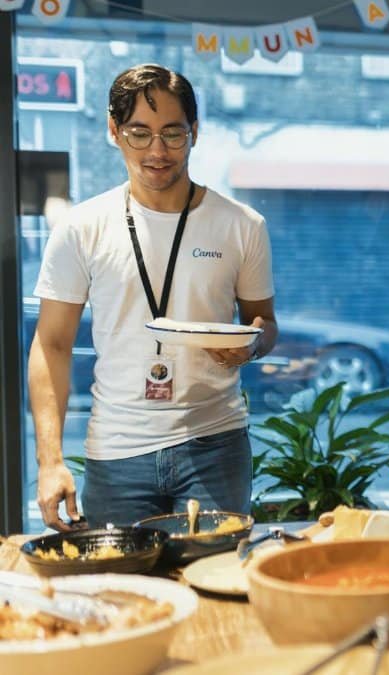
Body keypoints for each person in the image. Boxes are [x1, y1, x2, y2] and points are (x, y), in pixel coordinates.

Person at [30, 64, 278, 531]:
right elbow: (51, 345)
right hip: (116, 451)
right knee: (122, 597)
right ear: (113, 130)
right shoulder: (82, 228)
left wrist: (253, 345)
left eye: (173, 134)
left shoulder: (242, 226)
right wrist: (49, 461)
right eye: (139, 134)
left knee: (212, 585)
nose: (158, 151)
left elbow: (264, 322)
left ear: (195, 132)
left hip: (215, 443)